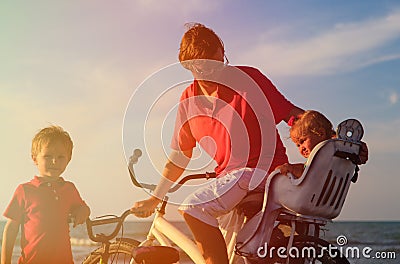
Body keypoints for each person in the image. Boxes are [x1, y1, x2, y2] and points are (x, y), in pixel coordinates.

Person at [130, 23, 304, 264]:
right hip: (231, 186)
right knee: (235, 259)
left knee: (194, 208)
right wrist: (155, 198)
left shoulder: (248, 80)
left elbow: (292, 115)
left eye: (220, 62)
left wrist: (336, 140)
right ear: (188, 66)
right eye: (207, 67)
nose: (218, 72)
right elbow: (180, 156)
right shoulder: (188, 101)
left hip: (265, 175)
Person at [1, 125, 91, 264]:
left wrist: (82, 212)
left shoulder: (69, 189)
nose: (54, 161)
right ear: (35, 159)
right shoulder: (25, 190)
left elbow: (84, 208)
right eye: (48, 156)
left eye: (61, 157)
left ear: (69, 159)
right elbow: (11, 228)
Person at [276, 110, 368, 178]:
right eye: (298, 145)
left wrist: (291, 169)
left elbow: (309, 173)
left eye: (303, 141)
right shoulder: (338, 156)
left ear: (320, 133)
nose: (301, 148)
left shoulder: (324, 157)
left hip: (314, 200)